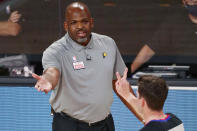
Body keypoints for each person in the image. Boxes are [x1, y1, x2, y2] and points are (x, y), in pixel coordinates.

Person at [32, 1, 126, 131]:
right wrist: (48, 81)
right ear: (66, 26)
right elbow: (52, 72)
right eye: (74, 22)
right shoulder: (55, 51)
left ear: (92, 22)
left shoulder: (108, 44)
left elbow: (119, 83)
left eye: (84, 21)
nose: (80, 26)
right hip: (69, 125)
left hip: (105, 123)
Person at [131, 0, 197, 74]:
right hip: (184, 78)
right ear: (185, 2)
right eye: (194, 3)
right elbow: (149, 50)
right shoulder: (175, 22)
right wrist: (129, 72)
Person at [115, 68, 185, 131]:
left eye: (137, 96)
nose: (136, 99)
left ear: (143, 102)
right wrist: (127, 95)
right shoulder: (175, 120)